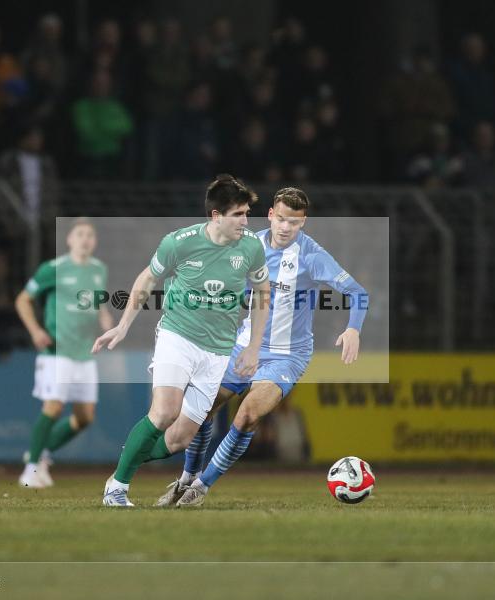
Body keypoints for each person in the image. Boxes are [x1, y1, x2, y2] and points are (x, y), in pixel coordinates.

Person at [154, 187, 368, 507]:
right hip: (243, 346)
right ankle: (185, 479)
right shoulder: (247, 245)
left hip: (287, 356)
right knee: (202, 408)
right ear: (270, 215)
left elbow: (358, 293)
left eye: (294, 223)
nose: (285, 228)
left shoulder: (311, 256)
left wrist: (353, 328)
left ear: (303, 223)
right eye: (281, 219)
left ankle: (201, 487)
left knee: (248, 414)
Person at [93, 174, 270, 507]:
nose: (245, 222)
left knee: (179, 439)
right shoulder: (179, 242)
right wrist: (123, 326)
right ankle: (117, 487)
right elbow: (147, 279)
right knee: (164, 413)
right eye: (238, 214)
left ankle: (127, 458)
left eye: (247, 213)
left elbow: (263, 292)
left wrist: (253, 346)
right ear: (216, 216)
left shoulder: (250, 247)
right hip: (178, 336)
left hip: (218, 350)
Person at [15, 218, 114, 488]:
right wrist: (35, 331)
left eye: (90, 235)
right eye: (79, 234)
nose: (85, 239)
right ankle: (31, 470)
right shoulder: (52, 269)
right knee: (54, 405)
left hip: (84, 352)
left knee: (84, 418)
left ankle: (40, 452)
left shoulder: (98, 270)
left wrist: (106, 319)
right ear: (69, 239)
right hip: (56, 350)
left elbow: (99, 304)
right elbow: (23, 299)